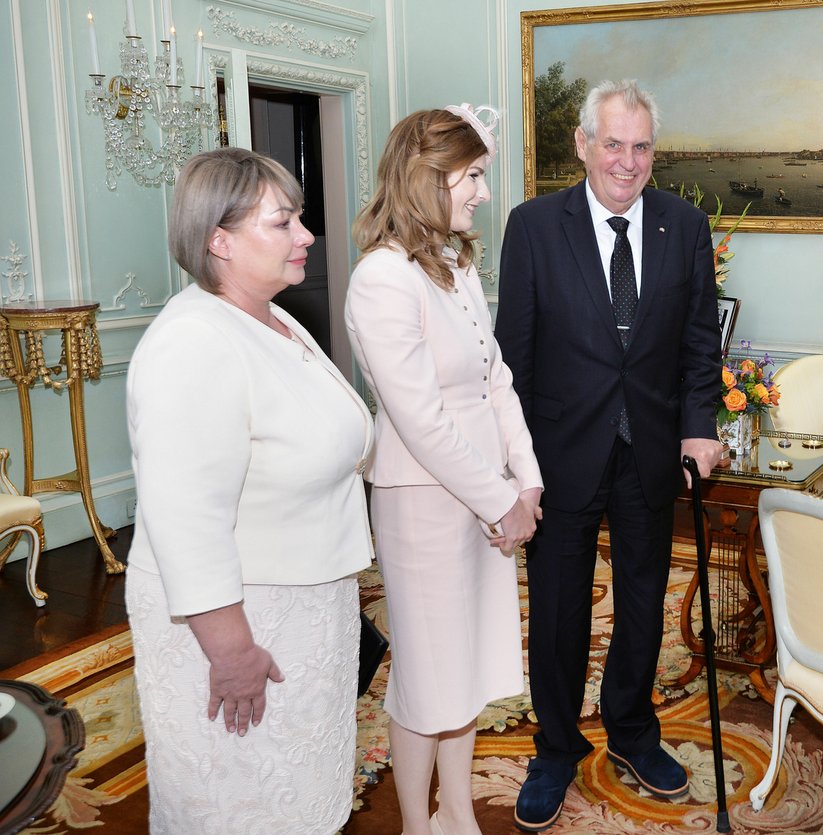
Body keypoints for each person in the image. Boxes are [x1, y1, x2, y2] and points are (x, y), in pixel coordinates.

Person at [495, 79, 724, 832]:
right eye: (614, 144)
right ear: (583, 145)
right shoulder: (533, 226)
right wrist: (516, 463)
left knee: (641, 603)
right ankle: (555, 746)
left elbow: (698, 344)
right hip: (560, 453)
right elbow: (513, 356)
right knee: (558, 611)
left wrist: (700, 425)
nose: (628, 161)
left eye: (642, 146)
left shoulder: (684, 226)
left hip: (652, 449)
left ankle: (630, 728)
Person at [124, 147, 375, 834]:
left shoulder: (271, 317)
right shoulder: (194, 343)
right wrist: (232, 653)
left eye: (299, 219)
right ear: (219, 240)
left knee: (296, 792)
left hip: (301, 605)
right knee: (240, 803)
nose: (306, 236)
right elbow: (186, 520)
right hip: (243, 620)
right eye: (283, 222)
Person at [345, 105, 543, 835]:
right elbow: (420, 417)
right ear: (431, 178)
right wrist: (502, 500)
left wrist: (527, 479)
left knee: (465, 666)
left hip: (484, 494)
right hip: (424, 502)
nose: (483, 194)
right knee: (428, 678)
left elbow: (496, 377)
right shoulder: (382, 278)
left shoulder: (455, 263)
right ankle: (416, 824)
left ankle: (457, 811)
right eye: (475, 176)